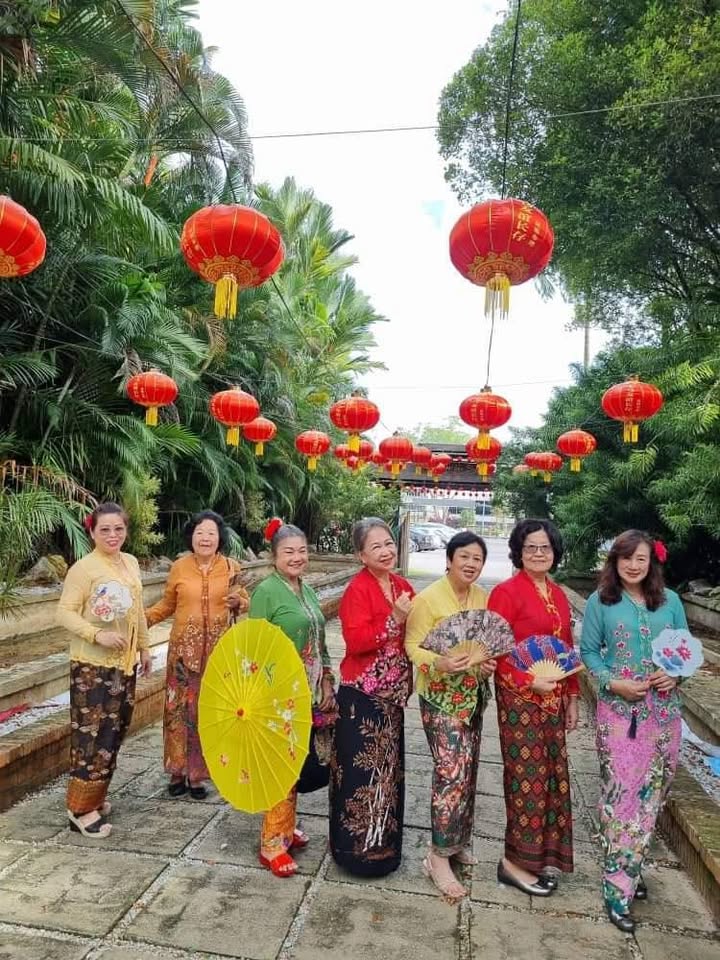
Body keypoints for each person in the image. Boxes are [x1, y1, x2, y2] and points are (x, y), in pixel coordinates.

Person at [580, 530, 687, 933]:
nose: (633, 565)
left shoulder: (671, 601)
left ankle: (631, 864)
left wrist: (675, 675)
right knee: (622, 798)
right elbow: (588, 652)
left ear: (651, 562)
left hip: (664, 717)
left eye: (640, 558)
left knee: (654, 794)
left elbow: (684, 651)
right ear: (615, 561)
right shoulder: (601, 602)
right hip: (620, 716)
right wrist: (613, 683)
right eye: (626, 558)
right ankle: (617, 891)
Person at [487, 518, 579, 896]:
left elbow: (567, 650)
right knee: (527, 779)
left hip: (554, 698)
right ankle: (512, 863)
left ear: (555, 552)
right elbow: (496, 653)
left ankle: (539, 858)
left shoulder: (558, 594)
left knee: (553, 778)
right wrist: (528, 681)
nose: (539, 553)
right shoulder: (505, 593)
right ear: (519, 552)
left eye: (545, 547)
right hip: (519, 701)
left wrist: (572, 696)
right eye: (531, 548)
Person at [405, 531, 497, 900]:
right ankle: (437, 856)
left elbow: (486, 644)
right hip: (441, 697)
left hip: (473, 695)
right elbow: (412, 645)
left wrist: (486, 664)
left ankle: (457, 841)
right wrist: (438, 662)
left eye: (477, 558)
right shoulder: (428, 599)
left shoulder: (482, 597)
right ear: (449, 559)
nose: (471, 564)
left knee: (468, 770)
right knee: (450, 772)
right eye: (464, 557)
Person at [57, 502, 152, 838]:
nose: (113, 535)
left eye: (119, 529)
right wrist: (97, 634)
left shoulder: (131, 562)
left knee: (114, 733)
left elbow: (138, 610)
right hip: (92, 667)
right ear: (93, 532)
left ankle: (94, 797)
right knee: (91, 737)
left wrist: (144, 646)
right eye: (105, 530)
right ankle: (80, 810)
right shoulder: (84, 569)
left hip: (123, 665)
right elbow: (64, 613)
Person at [248, 519, 336, 878]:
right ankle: (271, 843)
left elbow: (320, 640)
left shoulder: (307, 590)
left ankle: (286, 826)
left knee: (296, 761)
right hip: (279, 694)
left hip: (310, 690)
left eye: (302, 551)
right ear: (274, 557)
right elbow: (254, 647)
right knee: (280, 767)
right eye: (289, 552)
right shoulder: (266, 592)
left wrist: (327, 679)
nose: (297, 557)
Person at [329, 517, 414, 877]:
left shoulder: (403, 586)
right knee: (359, 776)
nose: (385, 550)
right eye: (376, 546)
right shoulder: (357, 590)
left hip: (392, 699)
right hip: (361, 697)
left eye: (389, 543)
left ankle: (384, 848)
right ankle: (354, 852)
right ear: (361, 555)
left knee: (388, 775)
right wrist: (394, 618)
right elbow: (356, 642)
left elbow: (417, 635)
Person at [145, 510, 249, 800]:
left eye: (211, 533)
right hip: (182, 655)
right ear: (191, 536)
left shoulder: (231, 567)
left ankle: (198, 775)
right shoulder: (179, 567)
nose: (205, 538)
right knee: (177, 711)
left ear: (219, 538)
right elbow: (167, 604)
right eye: (200, 533)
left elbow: (244, 600)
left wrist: (239, 602)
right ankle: (177, 771)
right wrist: (142, 620)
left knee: (208, 712)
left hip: (218, 655)